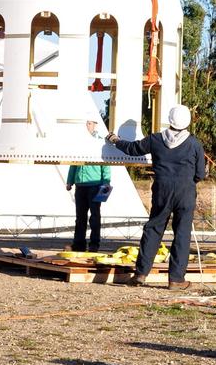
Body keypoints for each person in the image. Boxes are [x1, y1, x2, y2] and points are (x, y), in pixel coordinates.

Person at [86, 104, 205, 289]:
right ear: (187, 121)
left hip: (162, 189)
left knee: (153, 229)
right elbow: (200, 174)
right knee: (182, 234)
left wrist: (115, 140)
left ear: (170, 119)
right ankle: (176, 279)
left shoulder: (156, 140)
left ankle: (141, 274)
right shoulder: (194, 144)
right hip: (185, 192)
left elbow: (133, 149)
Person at [65, 161, 112, 252]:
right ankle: (79, 244)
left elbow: (105, 163)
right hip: (80, 186)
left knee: (94, 216)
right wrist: (69, 181)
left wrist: (106, 181)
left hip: (95, 185)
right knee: (80, 217)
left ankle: (94, 244)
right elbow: (73, 162)